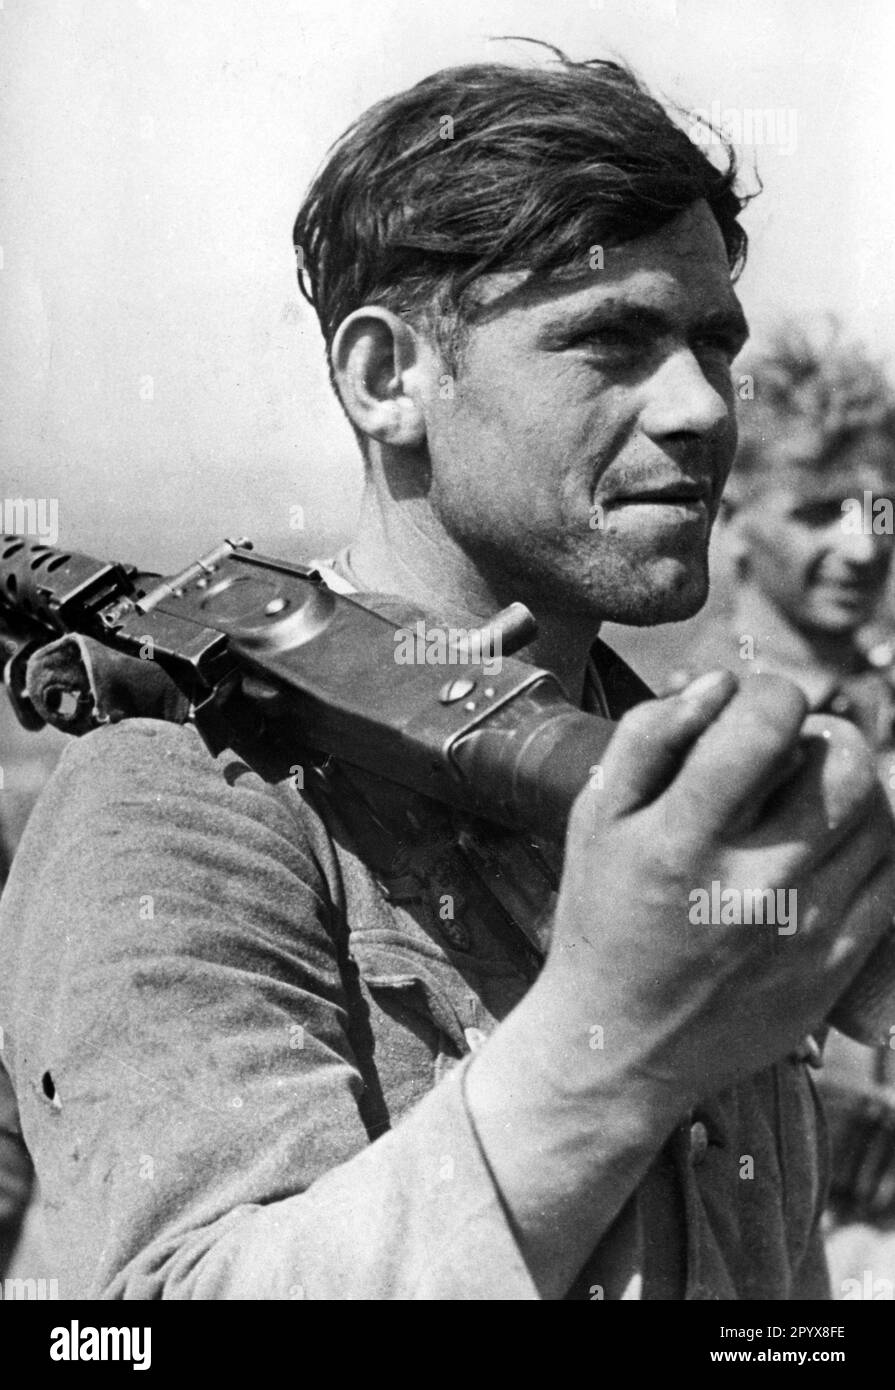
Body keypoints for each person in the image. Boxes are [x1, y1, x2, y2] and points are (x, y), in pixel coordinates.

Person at [1, 49, 894, 1302]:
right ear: (388, 380)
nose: (700, 405)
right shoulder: (187, 804)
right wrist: (613, 1044)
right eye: (610, 340)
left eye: (710, 339)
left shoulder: (679, 798)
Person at [699, 323, 895, 1265]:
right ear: (731, 517)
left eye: (880, 509)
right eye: (821, 510)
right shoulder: (676, 739)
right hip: (783, 1229)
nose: (864, 544)